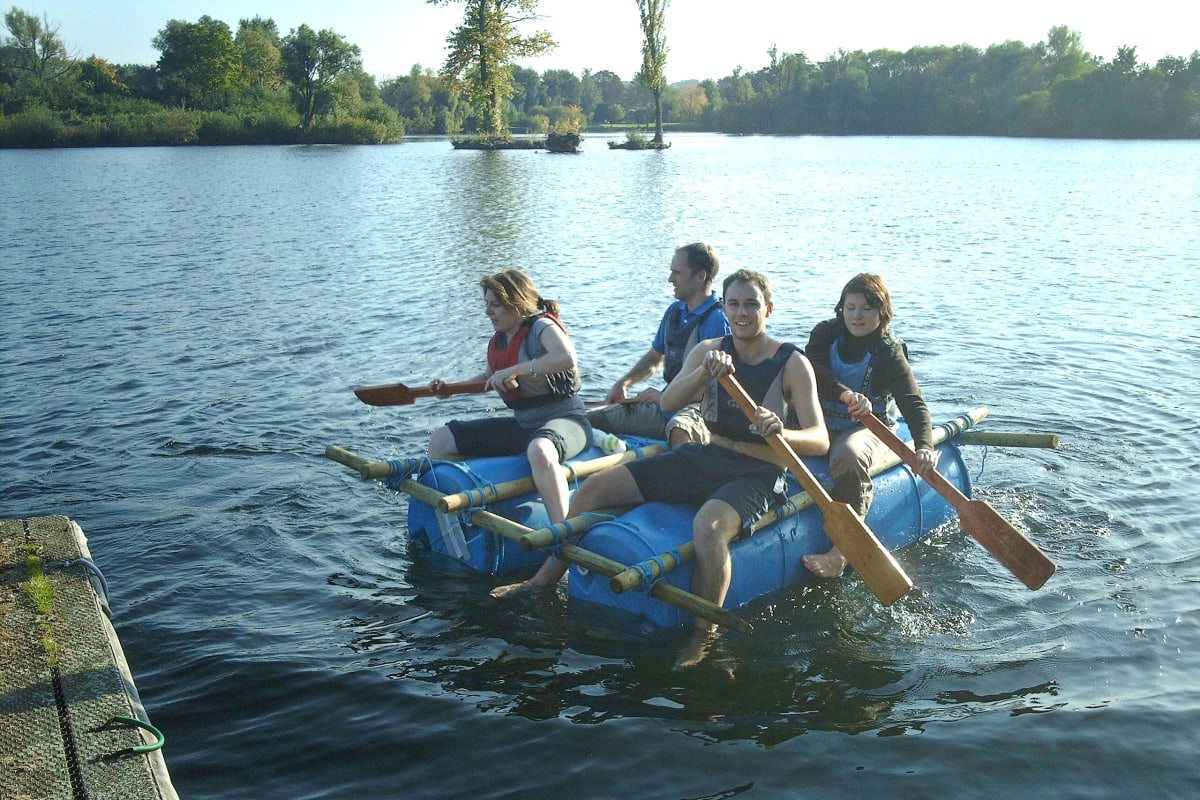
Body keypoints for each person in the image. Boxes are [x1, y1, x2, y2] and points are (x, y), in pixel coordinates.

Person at [493, 269, 829, 667]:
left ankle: (703, 638)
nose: (742, 312)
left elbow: (820, 438)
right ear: (723, 307)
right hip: (706, 454)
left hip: (758, 470)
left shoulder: (791, 363)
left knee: (709, 528)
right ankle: (542, 579)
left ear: (768, 309)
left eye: (752, 304)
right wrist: (704, 373)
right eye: (734, 303)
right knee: (594, 490)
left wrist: (783, 432)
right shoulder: (709, 349)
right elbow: (668, 403)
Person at [801, 272, 939, 579]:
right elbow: (815, 370)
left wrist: (924, 446)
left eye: (866, 308)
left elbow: (912, 402)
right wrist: (846, 394)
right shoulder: (825, 333)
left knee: (848, 455)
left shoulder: (888, 352)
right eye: (850, 307)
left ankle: (840, 554)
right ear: (841, 308)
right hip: (820, 420)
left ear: (881, 312)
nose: (857, 315)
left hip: (869, 428)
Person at [427, 269, 592, 526]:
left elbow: (566, 358)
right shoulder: (499, 342)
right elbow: (488, 378)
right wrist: (449, 389)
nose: (488, 313)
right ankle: (439, 519)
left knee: (539, 450)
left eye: (495, 305)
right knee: (441, 438)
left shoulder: (541, 327)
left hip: (567, 421)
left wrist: (517, 370)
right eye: (487, 305)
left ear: (516, 303)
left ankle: (561, 534)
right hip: (523, 426)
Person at [587, 242, 730, 447]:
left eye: (676, 273)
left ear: (700, 277)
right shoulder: (675, 311)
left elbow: (717, 388)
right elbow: (654, 359)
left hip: (700, 409)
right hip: (666, 404)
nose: (670, 279)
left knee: (678, 430)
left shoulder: (718, 321)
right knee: (591, 418)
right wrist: (623, 383)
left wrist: (665, 397)